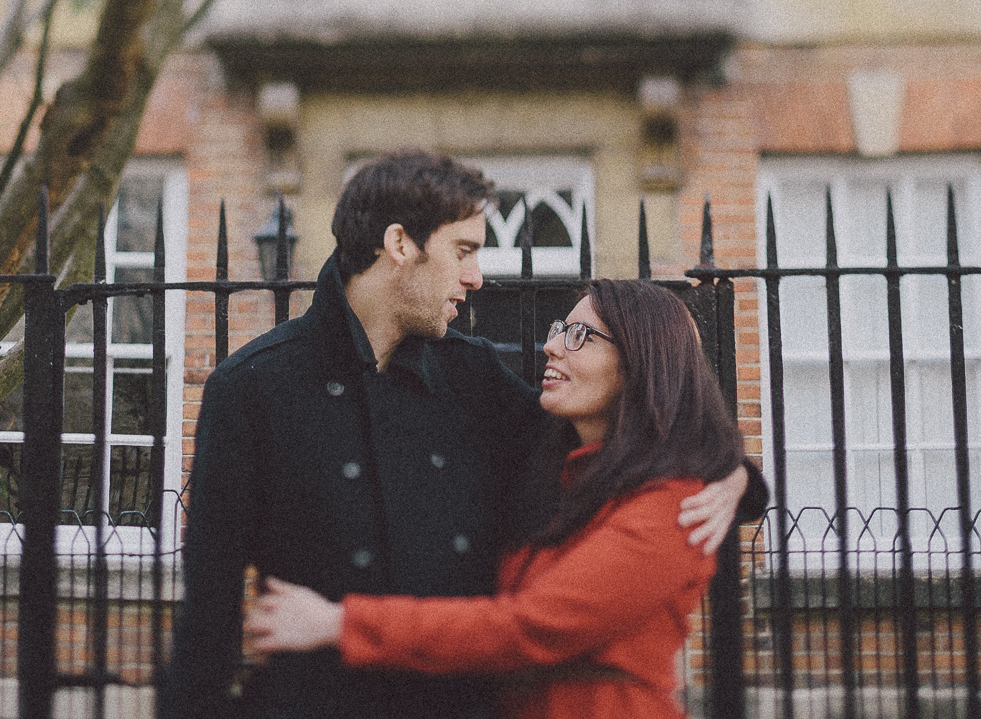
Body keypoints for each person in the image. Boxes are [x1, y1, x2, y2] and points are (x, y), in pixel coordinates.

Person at [163, 151, 759, 719]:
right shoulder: (251, 387)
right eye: (464, 251)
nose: (476, 278)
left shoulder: (473, 377)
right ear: (400, 244)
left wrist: (735, 476)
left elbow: (622, 439)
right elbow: (209, 615)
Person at [244, 279, 745, 719]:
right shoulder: (556, 476)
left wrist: (339, 622)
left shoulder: (673, 505)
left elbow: (529, 629)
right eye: (559, 329)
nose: (552, 346)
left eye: (581, 336)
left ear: (643, 363)